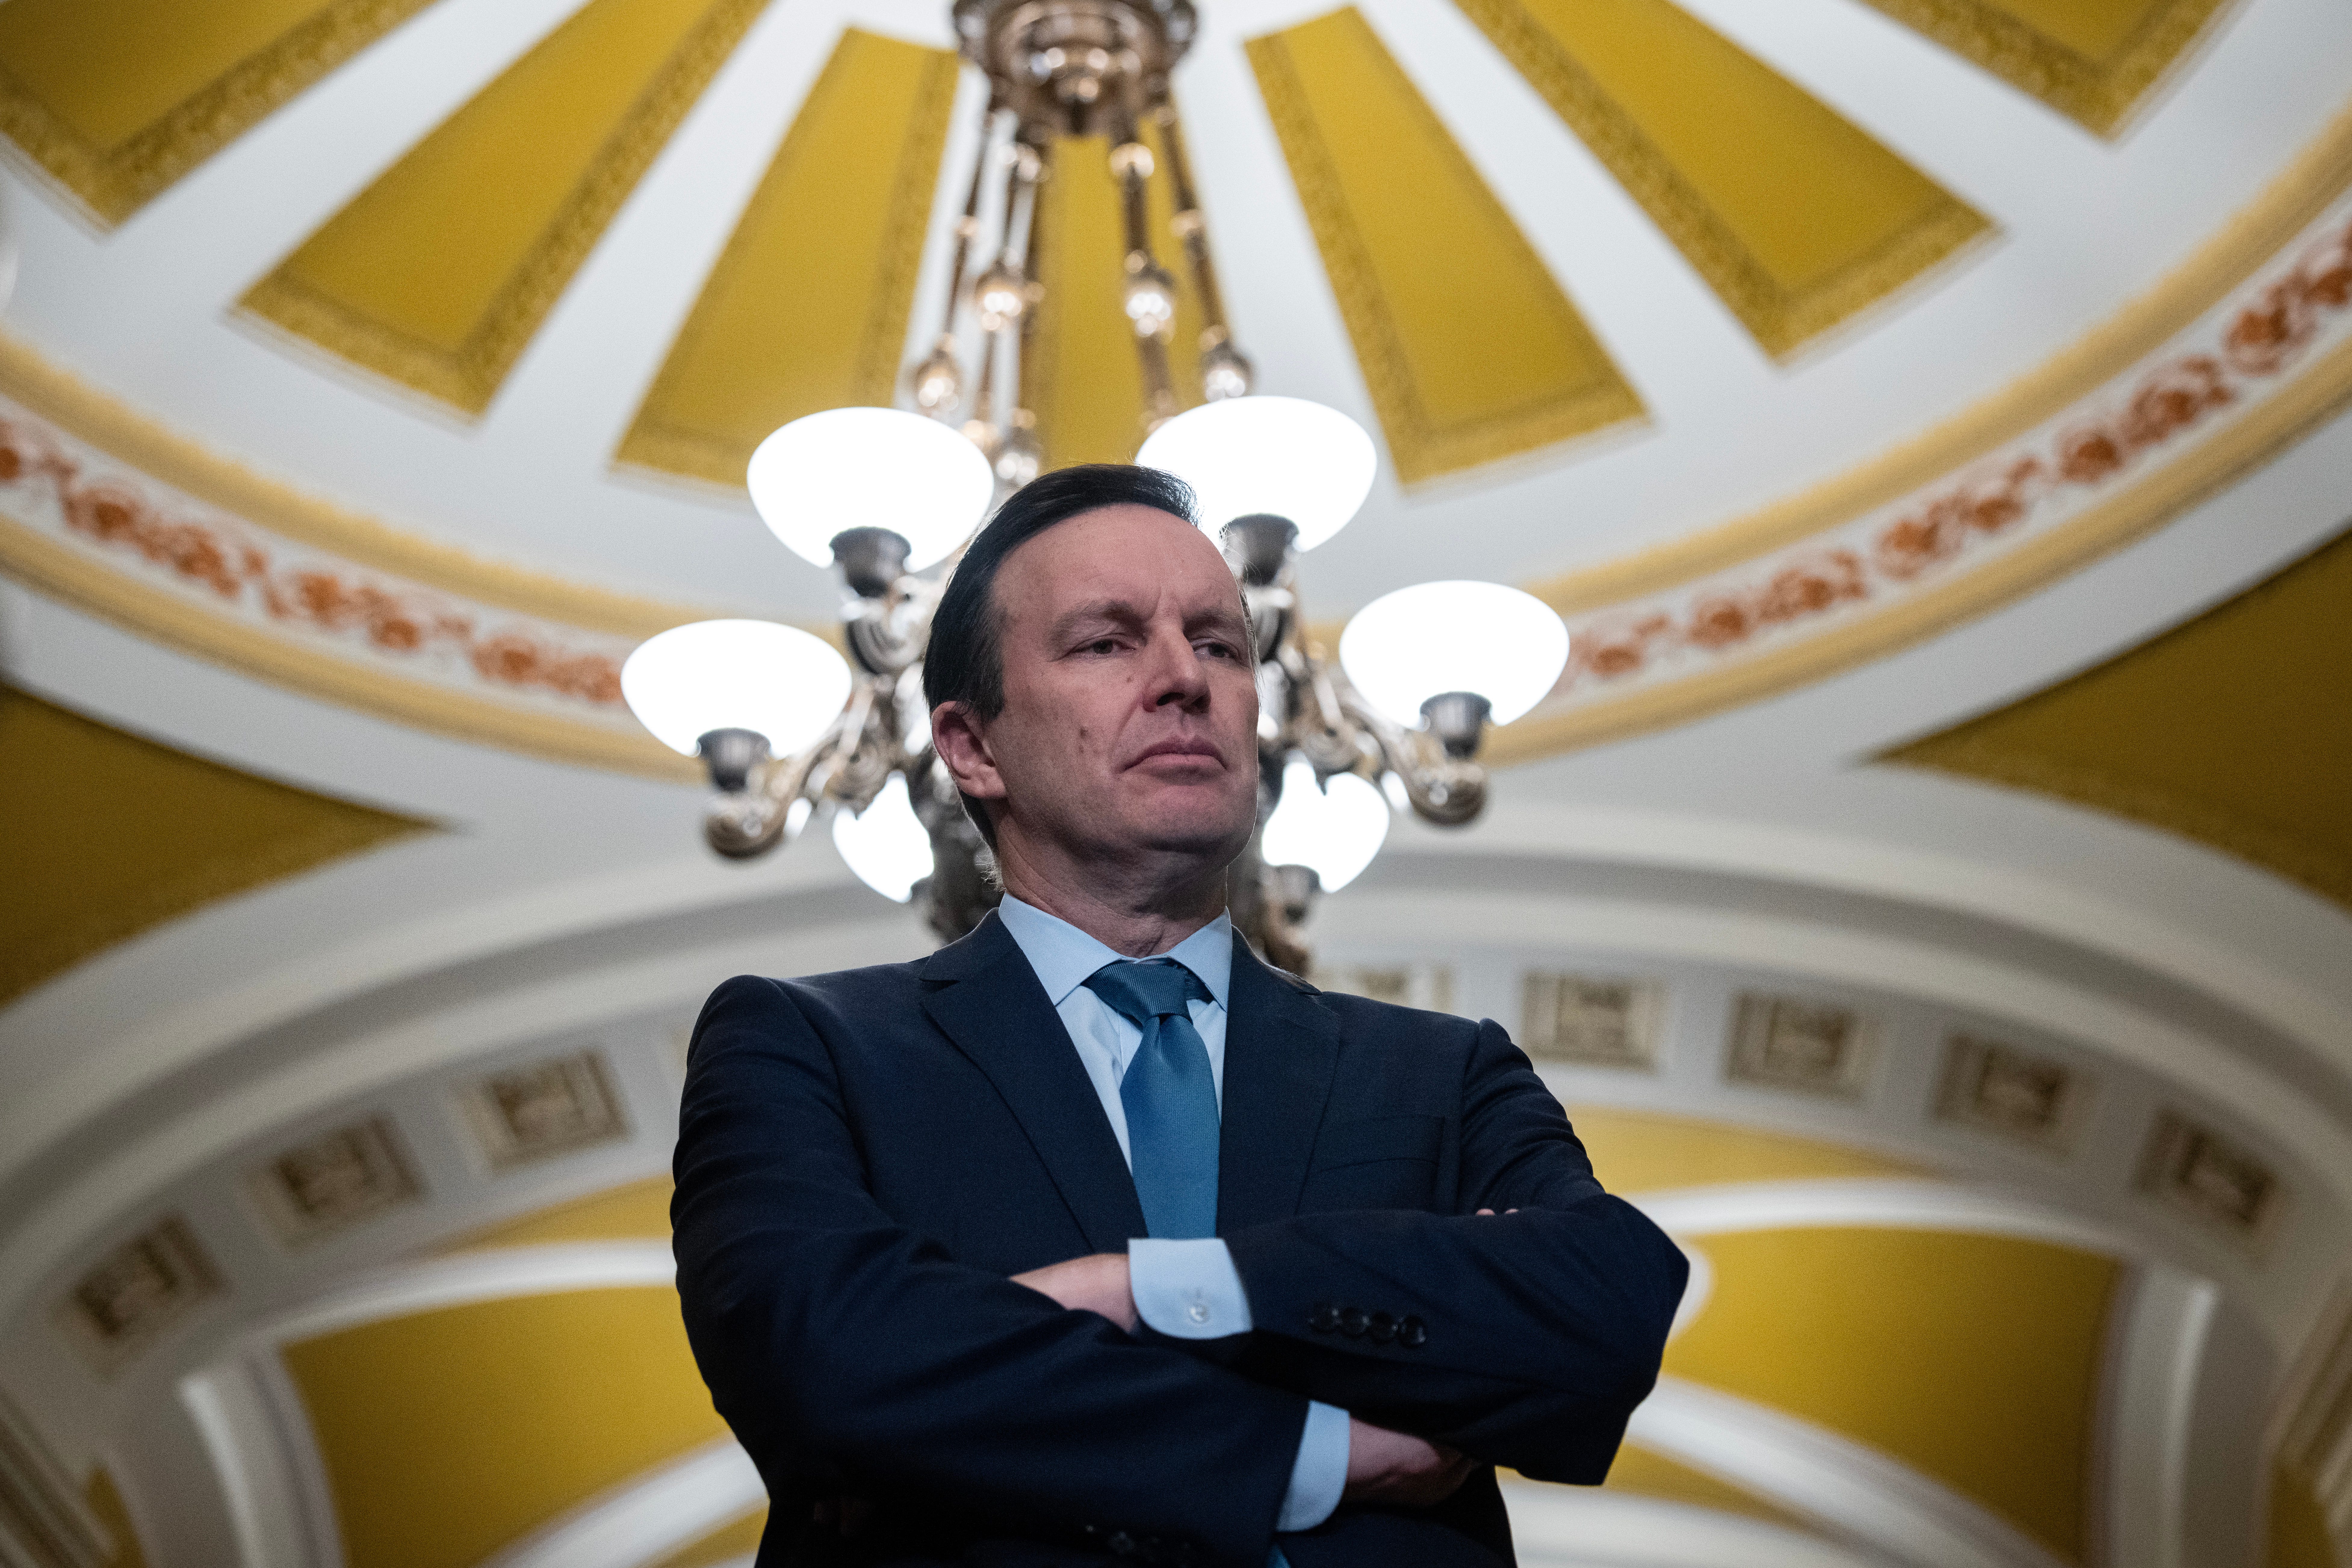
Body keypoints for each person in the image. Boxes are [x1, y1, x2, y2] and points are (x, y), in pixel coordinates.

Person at [672, 464, 1688, 1566]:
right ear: (971, 745)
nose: (1183, 679)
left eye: (1218, 643)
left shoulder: (1442, 1074)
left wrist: (1145, 1289)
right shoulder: (804, 1047)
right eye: (1106, 642)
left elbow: (1605, 1303)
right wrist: (1319, 1451)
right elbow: (827, 1361)